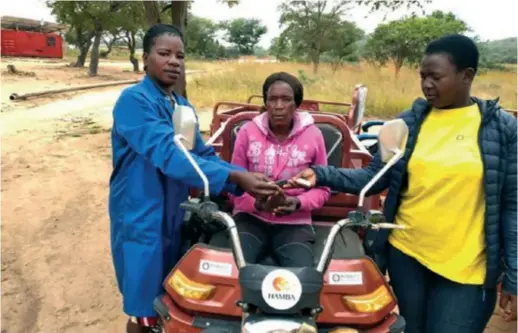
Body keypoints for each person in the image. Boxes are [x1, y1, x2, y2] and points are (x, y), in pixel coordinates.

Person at [285, 34, 517, 332]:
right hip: (407, 257)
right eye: (423, 76)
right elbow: (373, 177)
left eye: (436, 77)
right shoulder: (403, 124)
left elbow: (513, 205)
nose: (427, 84)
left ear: (466, 75)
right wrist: (321, 174)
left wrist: (514, 275)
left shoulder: (502, 129)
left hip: (468, 268)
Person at [108, 24, 279, 333]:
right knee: (143, 309)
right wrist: (236, 176)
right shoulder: (134, 102)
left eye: (180, 55)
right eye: (164, 54)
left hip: (174, 212)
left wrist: (240, 187)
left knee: (171, 300)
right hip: (140, 214)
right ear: (145, 58)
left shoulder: (182, 106)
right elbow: (168, 152)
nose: (174, 61)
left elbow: (201, 155)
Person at [226, 72, 331, 267]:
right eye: (273, 99)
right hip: (249, 218)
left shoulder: (314, 135)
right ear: (266, 103)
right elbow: (234, 183)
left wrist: (297, 202)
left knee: (302, 277)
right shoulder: (247, 132)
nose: (279, 106)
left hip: (295, 222)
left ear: (297, 104)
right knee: (236, 269)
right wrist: (256, 205)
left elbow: (323, 189)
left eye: (286, 99)